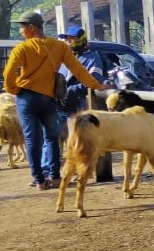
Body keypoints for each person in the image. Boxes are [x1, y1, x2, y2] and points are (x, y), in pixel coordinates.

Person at [3, 13, 107, 190]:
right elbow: (79, 70)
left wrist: (13, 89)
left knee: (32, 139)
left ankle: (39, 180)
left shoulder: (22, 49)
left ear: (32, 28)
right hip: (48, 98)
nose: (20, 31)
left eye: (22, 27)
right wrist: (96, 85)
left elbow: (8, 73)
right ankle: (55, 177)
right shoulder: (59, 47)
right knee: (51, 138)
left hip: (26, 98)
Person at [56, 26, 106, 116]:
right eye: (67, 39)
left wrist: (71, 90)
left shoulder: (93, 58)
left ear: (81, 40)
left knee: (73, 129)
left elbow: (95, 81)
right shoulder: (64, 56)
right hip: (57, 106)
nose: (68, 41)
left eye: (72, 38)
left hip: (76, 109)